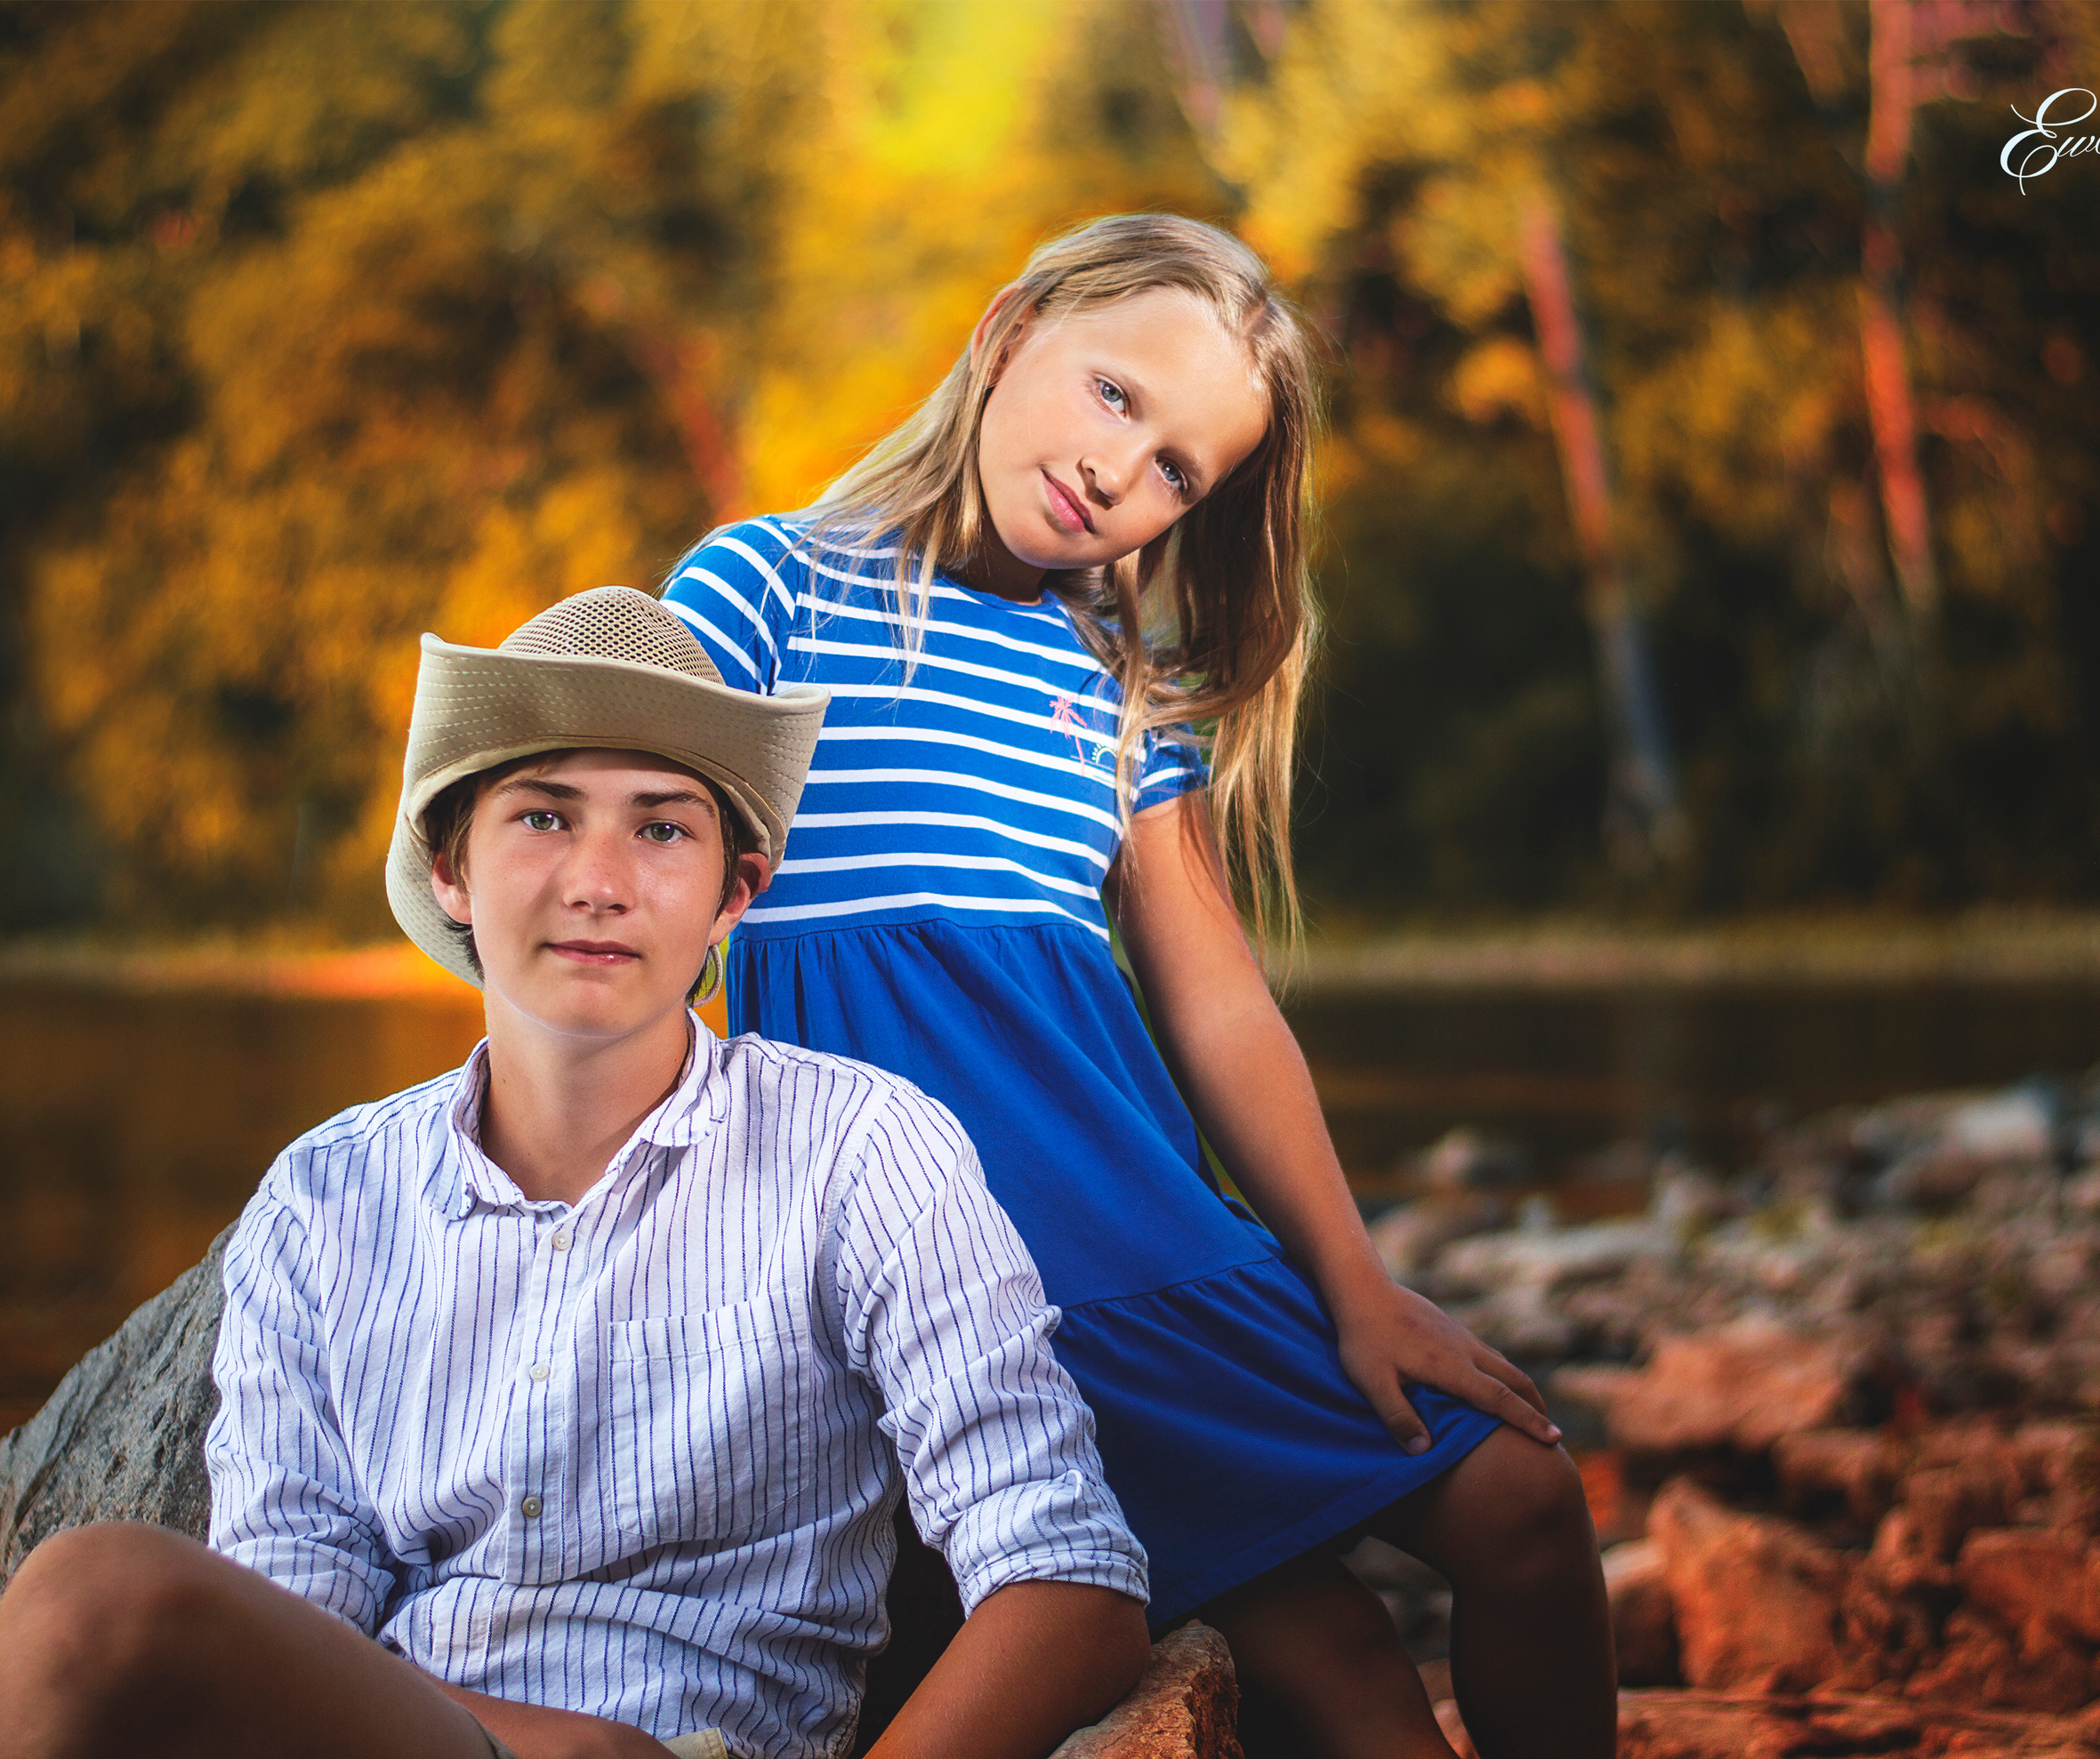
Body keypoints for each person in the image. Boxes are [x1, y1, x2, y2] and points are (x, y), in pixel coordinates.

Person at [659, 213, 1615, 1759]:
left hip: (1143, 1239)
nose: (1123, 472)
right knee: (1343, 1674)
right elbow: (629, 879)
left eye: (1178, 468)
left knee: (1522, 1499)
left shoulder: (1110, 685)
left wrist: (1354, 1284)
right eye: (1116, 396)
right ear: (1009, 331)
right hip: (953, 1290)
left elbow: (1218, 999)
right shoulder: (772, 585)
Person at [0, 589, 1151, 1759]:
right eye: (544, 817)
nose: (600, 880)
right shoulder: (322, 1198)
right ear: (452, 868)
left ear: (732, 895)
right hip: (415, 1737)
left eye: (661, 829)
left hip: (695, 1744)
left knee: (88, 1592)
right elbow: (291, 1629)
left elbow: (1071, 1581)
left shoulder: (856, 1151)